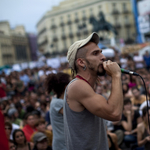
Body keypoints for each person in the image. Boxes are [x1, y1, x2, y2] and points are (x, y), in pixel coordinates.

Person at [64, 32, 123, 150]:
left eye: (101, 52)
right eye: (96, 53)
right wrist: (116, 75)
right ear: (81, 62)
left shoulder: (88, 86)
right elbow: (114, 113)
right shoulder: (77, 86)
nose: (103, 57)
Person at [45, 72, 70, 150]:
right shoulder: (57, 103)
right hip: (63, 143)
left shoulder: (57, 99)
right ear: (66, 86)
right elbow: (75, 115)